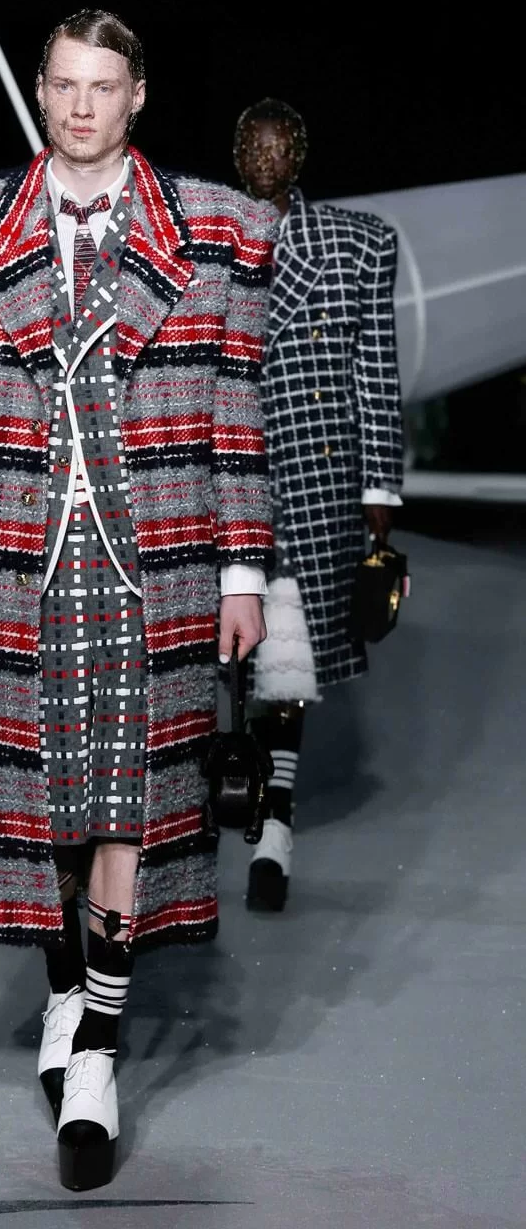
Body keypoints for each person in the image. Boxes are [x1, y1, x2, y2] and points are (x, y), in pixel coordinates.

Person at [0, 10, 278, 1191]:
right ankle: (65, 989)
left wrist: (241, 570)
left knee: (127, 808)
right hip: (13, 562)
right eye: (62, 84)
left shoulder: (219, 231)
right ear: (40, 89)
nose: (78, 106)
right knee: (39, 812)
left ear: (137, 94)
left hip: (152, 566)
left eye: (101, 86)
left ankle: (98, 1049)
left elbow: (234, 412)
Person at [232, 98, 403, 913]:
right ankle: (228, 797)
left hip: (310, 471)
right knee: (223, 651)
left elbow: (375, 366)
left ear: (298, 155)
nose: (266, 157)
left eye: (279, 145)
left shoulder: (356, 243)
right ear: (237, 155)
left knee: (287, 654)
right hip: (225, 469)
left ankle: (275, 821)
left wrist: (379, 484)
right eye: (252, 145)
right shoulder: (203, 242)